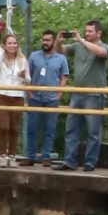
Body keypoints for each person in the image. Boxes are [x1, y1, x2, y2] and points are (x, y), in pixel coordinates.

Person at [62, 19, 108, 170]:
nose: (87, 33)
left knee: (93, 132)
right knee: (71, 129)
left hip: (94, 95)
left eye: (90, 31)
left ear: (98, 33)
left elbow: (101, 53)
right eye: (86, 31)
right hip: (77, 93)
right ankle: (69, 161)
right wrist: (57, 41)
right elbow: (60, 51)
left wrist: (81, 41)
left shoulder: (104, 46)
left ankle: (90, 162)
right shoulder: (78, 46)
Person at [24, 30, 68, 161]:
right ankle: (30, 156)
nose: (45, 42)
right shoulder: (34, 56)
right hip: (35, 97)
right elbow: (28, 75)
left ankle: (46, 157)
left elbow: (63, 78)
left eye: (48, 40)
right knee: (32, 128)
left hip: (52, 98)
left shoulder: (61, 58)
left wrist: (59, 94)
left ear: (53, 41)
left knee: (49, 129)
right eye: (43, 40)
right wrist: (29, 92)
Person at [0, 31, 29, 162]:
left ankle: (12, 155)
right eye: (10, 43)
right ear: (5, 45)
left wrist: (23, 76)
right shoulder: (0, 59)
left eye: (15, 43)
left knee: (14, 128)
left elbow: (28, 79)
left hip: (17, 97)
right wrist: (1, 52)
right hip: (2, 96)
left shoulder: (22, 61)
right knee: (3, 126)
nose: (13, 46)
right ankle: (2, 154)